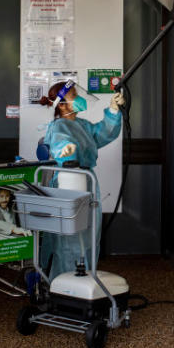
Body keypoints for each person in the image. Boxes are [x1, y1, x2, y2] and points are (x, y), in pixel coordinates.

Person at [37, 79, 124, 279]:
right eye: (74, 96)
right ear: (62, 104)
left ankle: (85, 278)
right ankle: (64, 282)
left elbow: (103, 133)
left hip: (87, 182)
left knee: (89, 233)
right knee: (70, 238)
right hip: (69, 182)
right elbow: (58, 142)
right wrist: (65, 151)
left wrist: (112, 111)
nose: (79, 99)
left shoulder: (82, 125)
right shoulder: (59, 125)